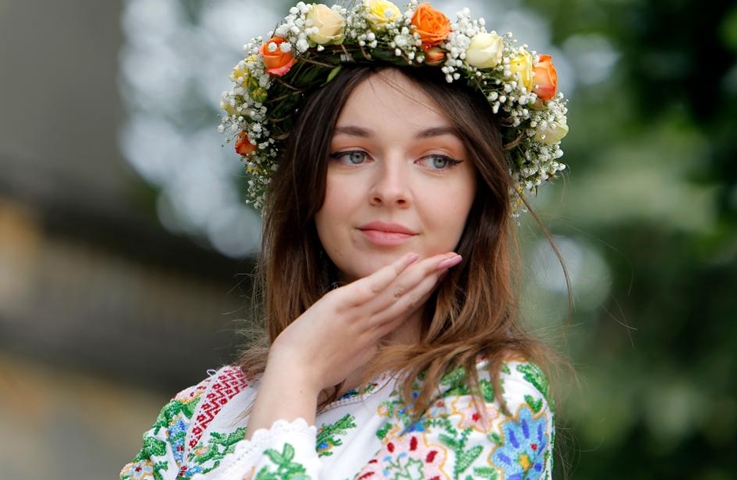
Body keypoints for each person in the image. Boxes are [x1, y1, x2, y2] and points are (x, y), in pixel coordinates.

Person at [121, 1, 570, 479]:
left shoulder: (495, 396)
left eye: (437, 159)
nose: (390, 190)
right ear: (307, 183)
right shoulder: (198, 414)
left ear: (479, 194)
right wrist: (293, 371)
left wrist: (295, 372)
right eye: (353, 155)